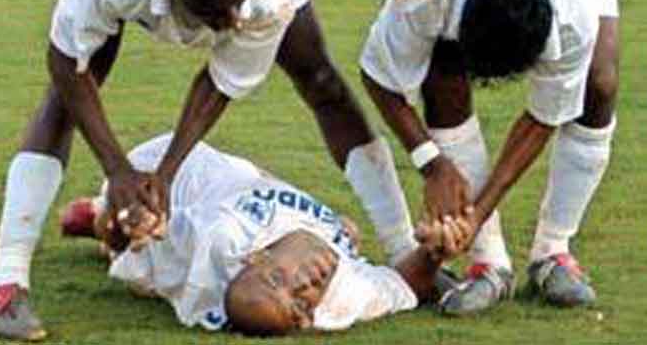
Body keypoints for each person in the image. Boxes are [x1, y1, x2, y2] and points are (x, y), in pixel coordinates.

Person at [0, 0, 416, 340]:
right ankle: (5, 282)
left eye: (236, 3)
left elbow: (221, 81)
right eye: (213, 13)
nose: (232, 22)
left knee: (321, 77)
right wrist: (118, 170)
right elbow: (64, 64)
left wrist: (163, 177)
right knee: (73, 90)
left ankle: (404, 246)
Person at [360, 0, 621, 315]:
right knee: (442, 73)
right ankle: (489, 265)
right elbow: (379, 75)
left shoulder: (573, 13)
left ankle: (553, 251)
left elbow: (544, 117)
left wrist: (475, 212)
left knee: (598, 83)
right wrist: (432, 164)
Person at [58, 133, 467, 335]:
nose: (304, 288)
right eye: (300, 306)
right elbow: (404, 284)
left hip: (180, 173)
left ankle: (92, 215)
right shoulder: (341, 298)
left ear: (255, 257)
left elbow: (139, 231)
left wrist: (119, 224)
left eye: (278, 281)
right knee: (345, 230)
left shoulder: (220, 236)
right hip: (230, 203)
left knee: (137, 243)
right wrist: (433, 252)